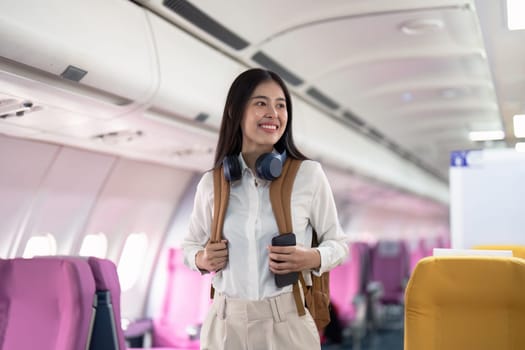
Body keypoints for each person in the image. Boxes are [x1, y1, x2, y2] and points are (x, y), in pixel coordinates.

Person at [182, 68, 349, 350]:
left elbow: (340, 244)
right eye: (261, 103)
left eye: (280, 105)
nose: (273, 113)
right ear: (236, 111)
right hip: (224, 326)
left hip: (286, 323)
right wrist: (202, 259)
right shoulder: (212, 183)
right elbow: (189, 245)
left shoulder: (308, 175)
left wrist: (311, 257)